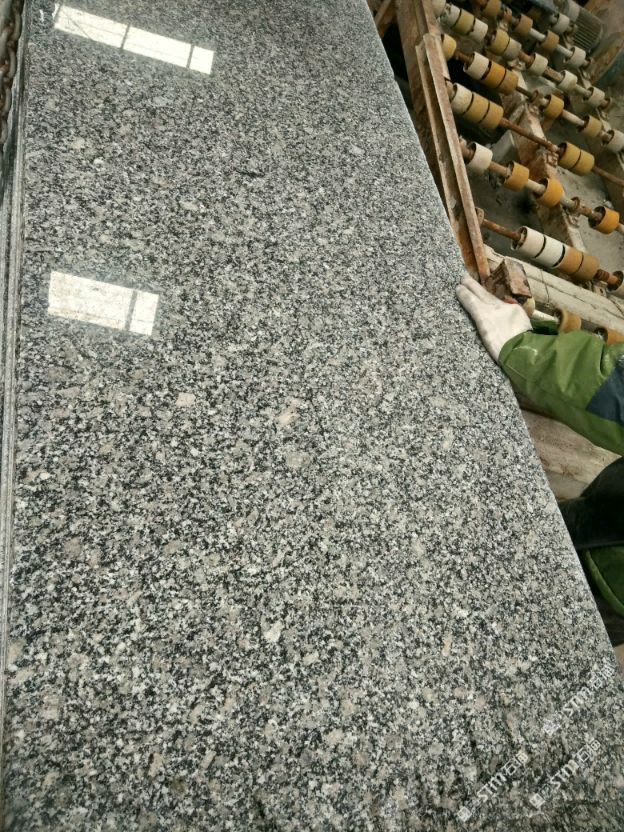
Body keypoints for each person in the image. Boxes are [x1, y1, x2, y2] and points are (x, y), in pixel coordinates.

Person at [457, 273, 624, 645]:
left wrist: (524, 347)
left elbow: (612, 391)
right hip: (609, 524)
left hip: (610, 567)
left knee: (509, 620)